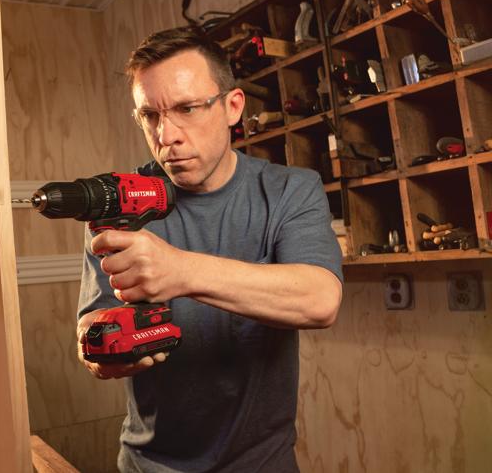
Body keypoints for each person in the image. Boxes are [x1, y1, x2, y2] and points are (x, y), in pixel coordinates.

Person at [77, 25, 343, 472]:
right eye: (150, 116)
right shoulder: (119, 202)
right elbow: (92, 329)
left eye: (186, 109)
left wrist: (180, 272)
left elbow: (320, 300)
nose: (167, 135)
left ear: (233, 106)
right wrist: (102, 353)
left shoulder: (290, 191)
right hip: (149, 465)